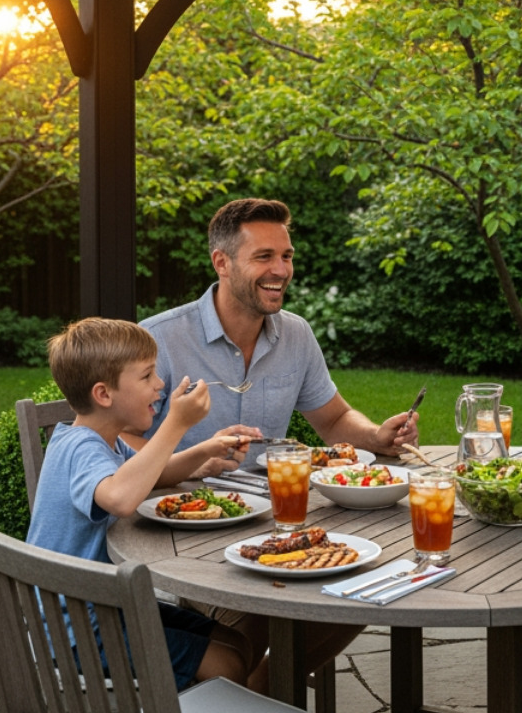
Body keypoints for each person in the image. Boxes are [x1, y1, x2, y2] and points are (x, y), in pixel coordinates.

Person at [26, 317, 259, 690]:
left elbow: (155, 473)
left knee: (238, 642)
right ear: (104, 395)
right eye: (147, 376)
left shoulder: (101, 442)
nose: (160, 384)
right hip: (77, 630)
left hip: (98, 607)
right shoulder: (82, 448)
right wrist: (176, 425)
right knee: (226, 664)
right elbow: (120, 498)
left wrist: (205, 450)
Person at [137, 197, 420, 460]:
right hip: (174, 507)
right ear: (222, 263)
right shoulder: (156, 339)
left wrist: (377, 436)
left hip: (274, 505)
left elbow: (334, 420)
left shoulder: (296, 334)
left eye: (286, 256)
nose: (282, 270)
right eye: (264, 257)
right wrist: (187, 465)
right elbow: (115, 436)